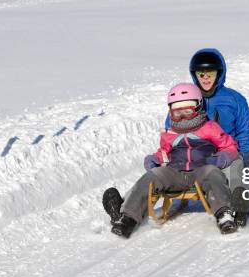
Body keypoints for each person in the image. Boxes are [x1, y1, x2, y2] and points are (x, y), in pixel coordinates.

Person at [102, 83, 240, 238]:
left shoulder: (210, 128)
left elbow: (230, 146)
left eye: (187, 111)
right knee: (153, 175)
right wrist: (155, 159)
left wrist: (224, 157)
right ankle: (127, 217)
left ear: (199, 107)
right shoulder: (170, 134)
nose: (182, 117)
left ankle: (224, 214)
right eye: (177, 112)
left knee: (214, 174)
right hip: (175, 172)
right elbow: (164, 153)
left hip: (202, 170)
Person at [165, 48, 249, 226]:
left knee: (235, 170)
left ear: (219, 74)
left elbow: (245, 128)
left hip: (226, 153)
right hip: (196, 155)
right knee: (160, 175)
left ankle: (240, 203)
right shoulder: (188, 98)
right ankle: (130, 208)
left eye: (210, 73)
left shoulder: (234, 99)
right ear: (195, 75)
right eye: (201, 74)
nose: (205, 78)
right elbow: (172, 126)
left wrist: (244, 155)